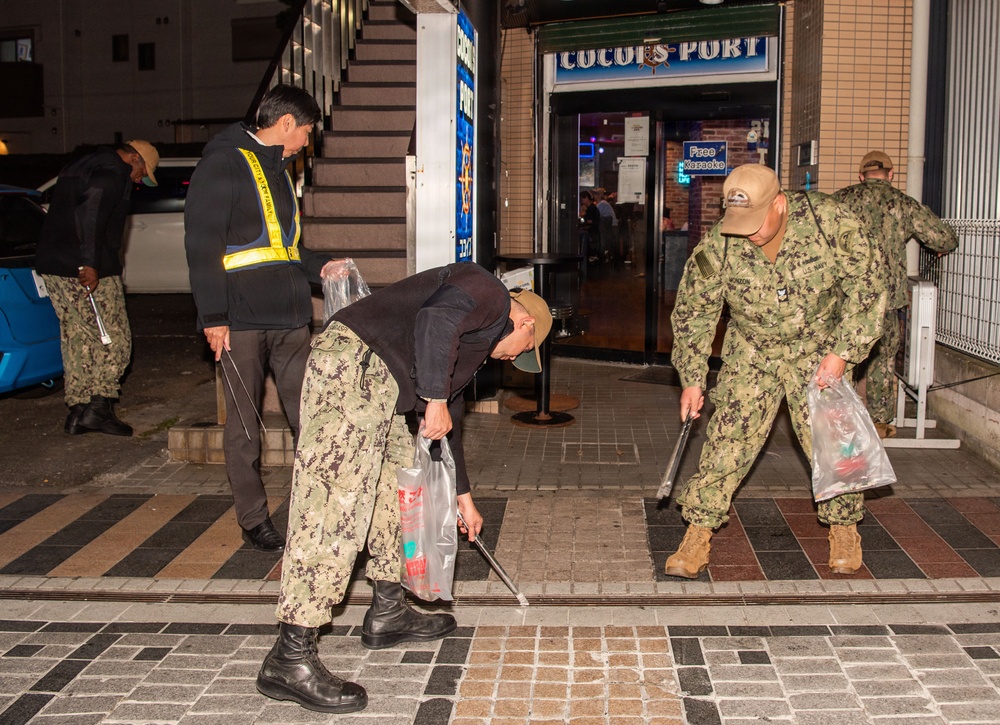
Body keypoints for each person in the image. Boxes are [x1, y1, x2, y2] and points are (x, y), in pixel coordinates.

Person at [255, 262, 552, 714]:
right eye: (521, 350)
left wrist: (462, 499)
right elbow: (436, 322)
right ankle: (289, 657)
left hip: (385, 391)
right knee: (334, 507)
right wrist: (433, 399)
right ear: (524, 321)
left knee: (401, 499)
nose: (512, 359)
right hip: (352, 370)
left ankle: (388, 611)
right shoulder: (488, 294)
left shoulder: (475, 339)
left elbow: (448, 418)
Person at [664, 164, 887, 580]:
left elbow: (869, 285)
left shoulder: (829, 222)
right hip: (753, 351)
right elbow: (695, 313)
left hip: (821, 349)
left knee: (835, 441)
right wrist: (692, 378)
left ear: (780, 204)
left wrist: (843, 351)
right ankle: (697, 532)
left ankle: (843, 527)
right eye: (738, 222)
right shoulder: (721, 244)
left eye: (755, 222)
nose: (746, 232)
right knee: (727, 438)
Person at [184, 84, 345, 553]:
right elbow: (202, 247)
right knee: (244, 425)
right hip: (240, 320)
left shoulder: (278, 171)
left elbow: (282, 249)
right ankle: (254, 519)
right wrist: (213, 315)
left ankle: (318, 507)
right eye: (308, 131)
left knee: (309, 416)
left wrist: (322, 266)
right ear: (287, 123)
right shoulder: (223, 163)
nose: (308, 142)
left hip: (291, 315)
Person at [36, 140, 160, 437]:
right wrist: (89, 263)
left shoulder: (80, 163)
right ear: (133, 157)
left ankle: (79, 411)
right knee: (114, 338)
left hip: (54, 264)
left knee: (77, 335)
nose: (138, 179)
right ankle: (98, 408)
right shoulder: (114, 170)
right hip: (87, 270)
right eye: (141, 171)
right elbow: (91, 210)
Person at [833, 151, 958, 438]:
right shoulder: (902, 204)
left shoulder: (840, 201)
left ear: (861, 176)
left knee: (842, 355)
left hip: (845, 297)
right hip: (885, 299)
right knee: (882, 359)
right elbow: (945, 238)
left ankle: (843, 419)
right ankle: (879, 421)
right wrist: (938, 247)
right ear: (890, 175)